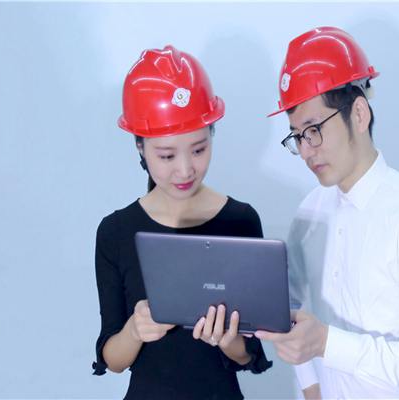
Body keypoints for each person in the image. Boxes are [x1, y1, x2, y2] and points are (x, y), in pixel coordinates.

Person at [255, 27, 399, 399]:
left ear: (360, 114)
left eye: (314, 129)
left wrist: (327, 343)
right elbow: (293, 314)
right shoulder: (310, 214)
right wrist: (311, 388)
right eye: (297, 136)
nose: (306, 150)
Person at [92, 45, 272, 399]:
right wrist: (135, 330)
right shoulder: (116, 232)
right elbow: (112, 358)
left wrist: (227, 338)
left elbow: (249, 354)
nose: (186, 169)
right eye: (167, 156)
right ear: (141, 147)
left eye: (199, 149)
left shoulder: (240, 222)